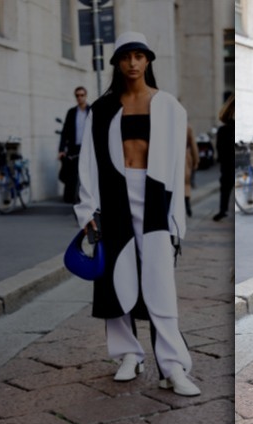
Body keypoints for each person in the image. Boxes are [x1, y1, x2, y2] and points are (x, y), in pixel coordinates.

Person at [74, 31, 200, 396]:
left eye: (139, 56)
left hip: (155, 197)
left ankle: (172, 366)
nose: (132, 63)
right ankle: (128, 353)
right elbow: (87, 163)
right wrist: (87, 211)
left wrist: (178, 218)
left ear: (148, 61)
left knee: (160, 283)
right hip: (112, 197)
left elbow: (178, 168)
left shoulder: (170, 107)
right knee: (115, 278)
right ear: (116, 62)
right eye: (126, 56)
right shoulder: (101, 108)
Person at [58, 86, 90, 204]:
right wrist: (61, 149)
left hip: (87, 148)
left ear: (85, 96)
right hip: (74, 147)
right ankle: (70, 198)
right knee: (71, 173)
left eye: (82, 95)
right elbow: (64, 132)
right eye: (77, 95)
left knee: (87, 173)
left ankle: (87, 198)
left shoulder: (91, 111)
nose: (79, 98)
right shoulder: (71, 112)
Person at [213, 93, 234, 222]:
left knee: (225, 184)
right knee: (225, 184)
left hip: (228, 163)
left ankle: (223, 210)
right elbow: (220, 151)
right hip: (228, 162)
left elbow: (220, 152)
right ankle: (223, 210)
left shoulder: (224, 130)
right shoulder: (224, 130)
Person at [185, 125, 199, 217]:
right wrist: (196, 160)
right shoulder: (187, 128)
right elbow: (193, 146)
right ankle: (187, 205)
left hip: (170, 157)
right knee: (186, 183)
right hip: (185, 157)